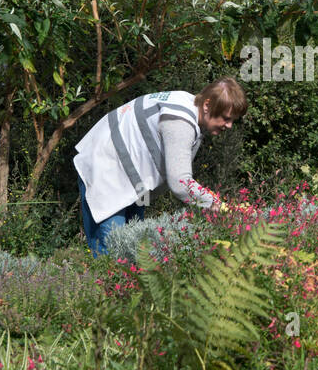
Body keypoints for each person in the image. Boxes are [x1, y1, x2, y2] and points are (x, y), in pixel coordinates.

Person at [73, 77, 247, 256]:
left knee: (135, 251)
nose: (229, 125)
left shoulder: (188, 105)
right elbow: (180, 184)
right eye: (226, 118)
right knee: (114, 254)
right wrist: (221, 207)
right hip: (106, 170)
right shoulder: (180, 122)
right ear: (207, 105)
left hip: (132, 182)